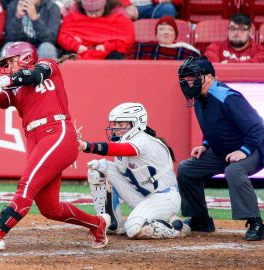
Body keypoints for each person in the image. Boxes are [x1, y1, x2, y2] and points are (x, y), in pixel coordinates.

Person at [0, 41, 111, 252]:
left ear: (25, 57)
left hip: (57, 132)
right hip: (35, 139)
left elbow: (33, 76)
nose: (9, 66)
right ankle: (98, 224)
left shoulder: (47, 65)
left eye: (12, 61)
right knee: (50, 208)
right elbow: (1, 99)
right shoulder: (16, 88)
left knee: (26, 187)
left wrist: (3, 80)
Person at [177, 56, 264, 241]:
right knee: (186, 168)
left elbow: (258, 127)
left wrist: (244, 151)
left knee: (234, 170)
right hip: (223, 151)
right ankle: (201, 219)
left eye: (192, 77)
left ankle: (256, 222)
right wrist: (205, 145)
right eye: (186, 79)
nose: (188, 82)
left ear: (208, 77)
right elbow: (215, 127)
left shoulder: (228, 97)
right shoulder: (200, 97)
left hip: (254, 148)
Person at [77, 102, 190, 239]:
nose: (116, 128)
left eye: (121, 124)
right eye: (115, 124)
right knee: (98, 167)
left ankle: (177, 228)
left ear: (136, 123)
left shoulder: (142, 140)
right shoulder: (125, 140)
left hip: (164, 198)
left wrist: (86, 146)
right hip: (143, 195)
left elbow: (122, 149)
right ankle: (112, 223)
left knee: (133, 228)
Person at [57, 0, 134, 60]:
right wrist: (76, 46)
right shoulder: (73, 15)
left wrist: (107, 46)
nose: (93, 15)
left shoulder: (118, 16)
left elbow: (127, 38)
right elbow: (63, 36)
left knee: (116, 57)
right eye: (89, 12)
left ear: (104, 6)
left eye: (97, 11)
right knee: (68, 57)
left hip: (109, 52)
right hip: (79, 49)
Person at [126, 16, 200, 60]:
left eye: (170, 29)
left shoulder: (186, 51)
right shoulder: (142, 48)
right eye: (161, 29)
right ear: (156, 34)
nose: (166, 32)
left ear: (175, 35)